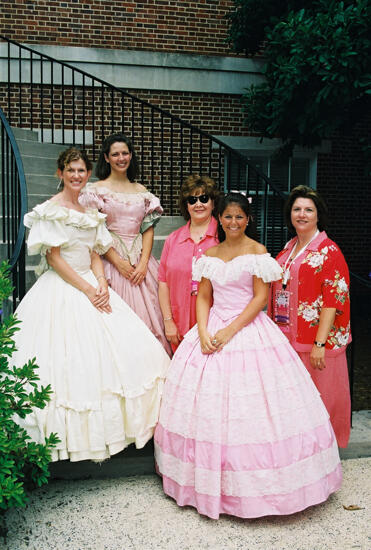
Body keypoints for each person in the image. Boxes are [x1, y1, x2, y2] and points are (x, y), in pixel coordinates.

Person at [154, 192, 342, 520]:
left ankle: (263, 487)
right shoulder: (209, 254)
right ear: (220, 219)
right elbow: (203, 298)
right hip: (211, 326)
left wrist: (229, 332)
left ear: (248, 219)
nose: (233, 222)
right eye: (227, 217)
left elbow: (259, 299)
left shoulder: (258, 252)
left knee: (254, 410)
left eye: (239, 217)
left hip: (247, 328)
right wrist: (202, 331)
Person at [11, 147, 170, 462]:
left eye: (81, 171)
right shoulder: (50, 210)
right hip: (64, 287)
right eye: (70, 171)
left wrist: (101, 283)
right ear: (60, 174)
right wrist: (86, 288)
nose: (76, 176)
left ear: (87, 174)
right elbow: (54, 259)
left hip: (92, 284)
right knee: (67, 365)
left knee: (131, 353)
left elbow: (96, 253)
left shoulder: (90, 211)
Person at [269, 185, 351, 448]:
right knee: (297, 403)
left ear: (318, 215)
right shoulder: (290, 246)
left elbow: (333, 300)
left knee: (322, 400)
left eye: (308, 210)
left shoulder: (329, 250)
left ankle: (324, 452)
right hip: (288, 338)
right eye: (296, 209)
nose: (301, 214)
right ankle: (301, 453)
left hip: (317, 343)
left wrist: (319, 344)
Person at [79, 133, 171, 355]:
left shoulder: (142, 192)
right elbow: (94, 232)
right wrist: (117, 262)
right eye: (115, 154)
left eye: (125, 153)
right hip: (110, 259)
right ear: (106, 158)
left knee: (150, 318)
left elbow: (148, 229)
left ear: (131, 155)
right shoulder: (95, 190)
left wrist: (143, 263)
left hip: (140, 260)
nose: (121, 158)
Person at [158, 174, 219, 352]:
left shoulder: (222, 239)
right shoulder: (173, 239)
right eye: (192, 199)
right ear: (186, 205)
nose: (198, 204)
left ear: (213, 203)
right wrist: (168, 321)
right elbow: (163, 282)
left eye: (204, 198)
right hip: (178, 325)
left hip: (212, 325)